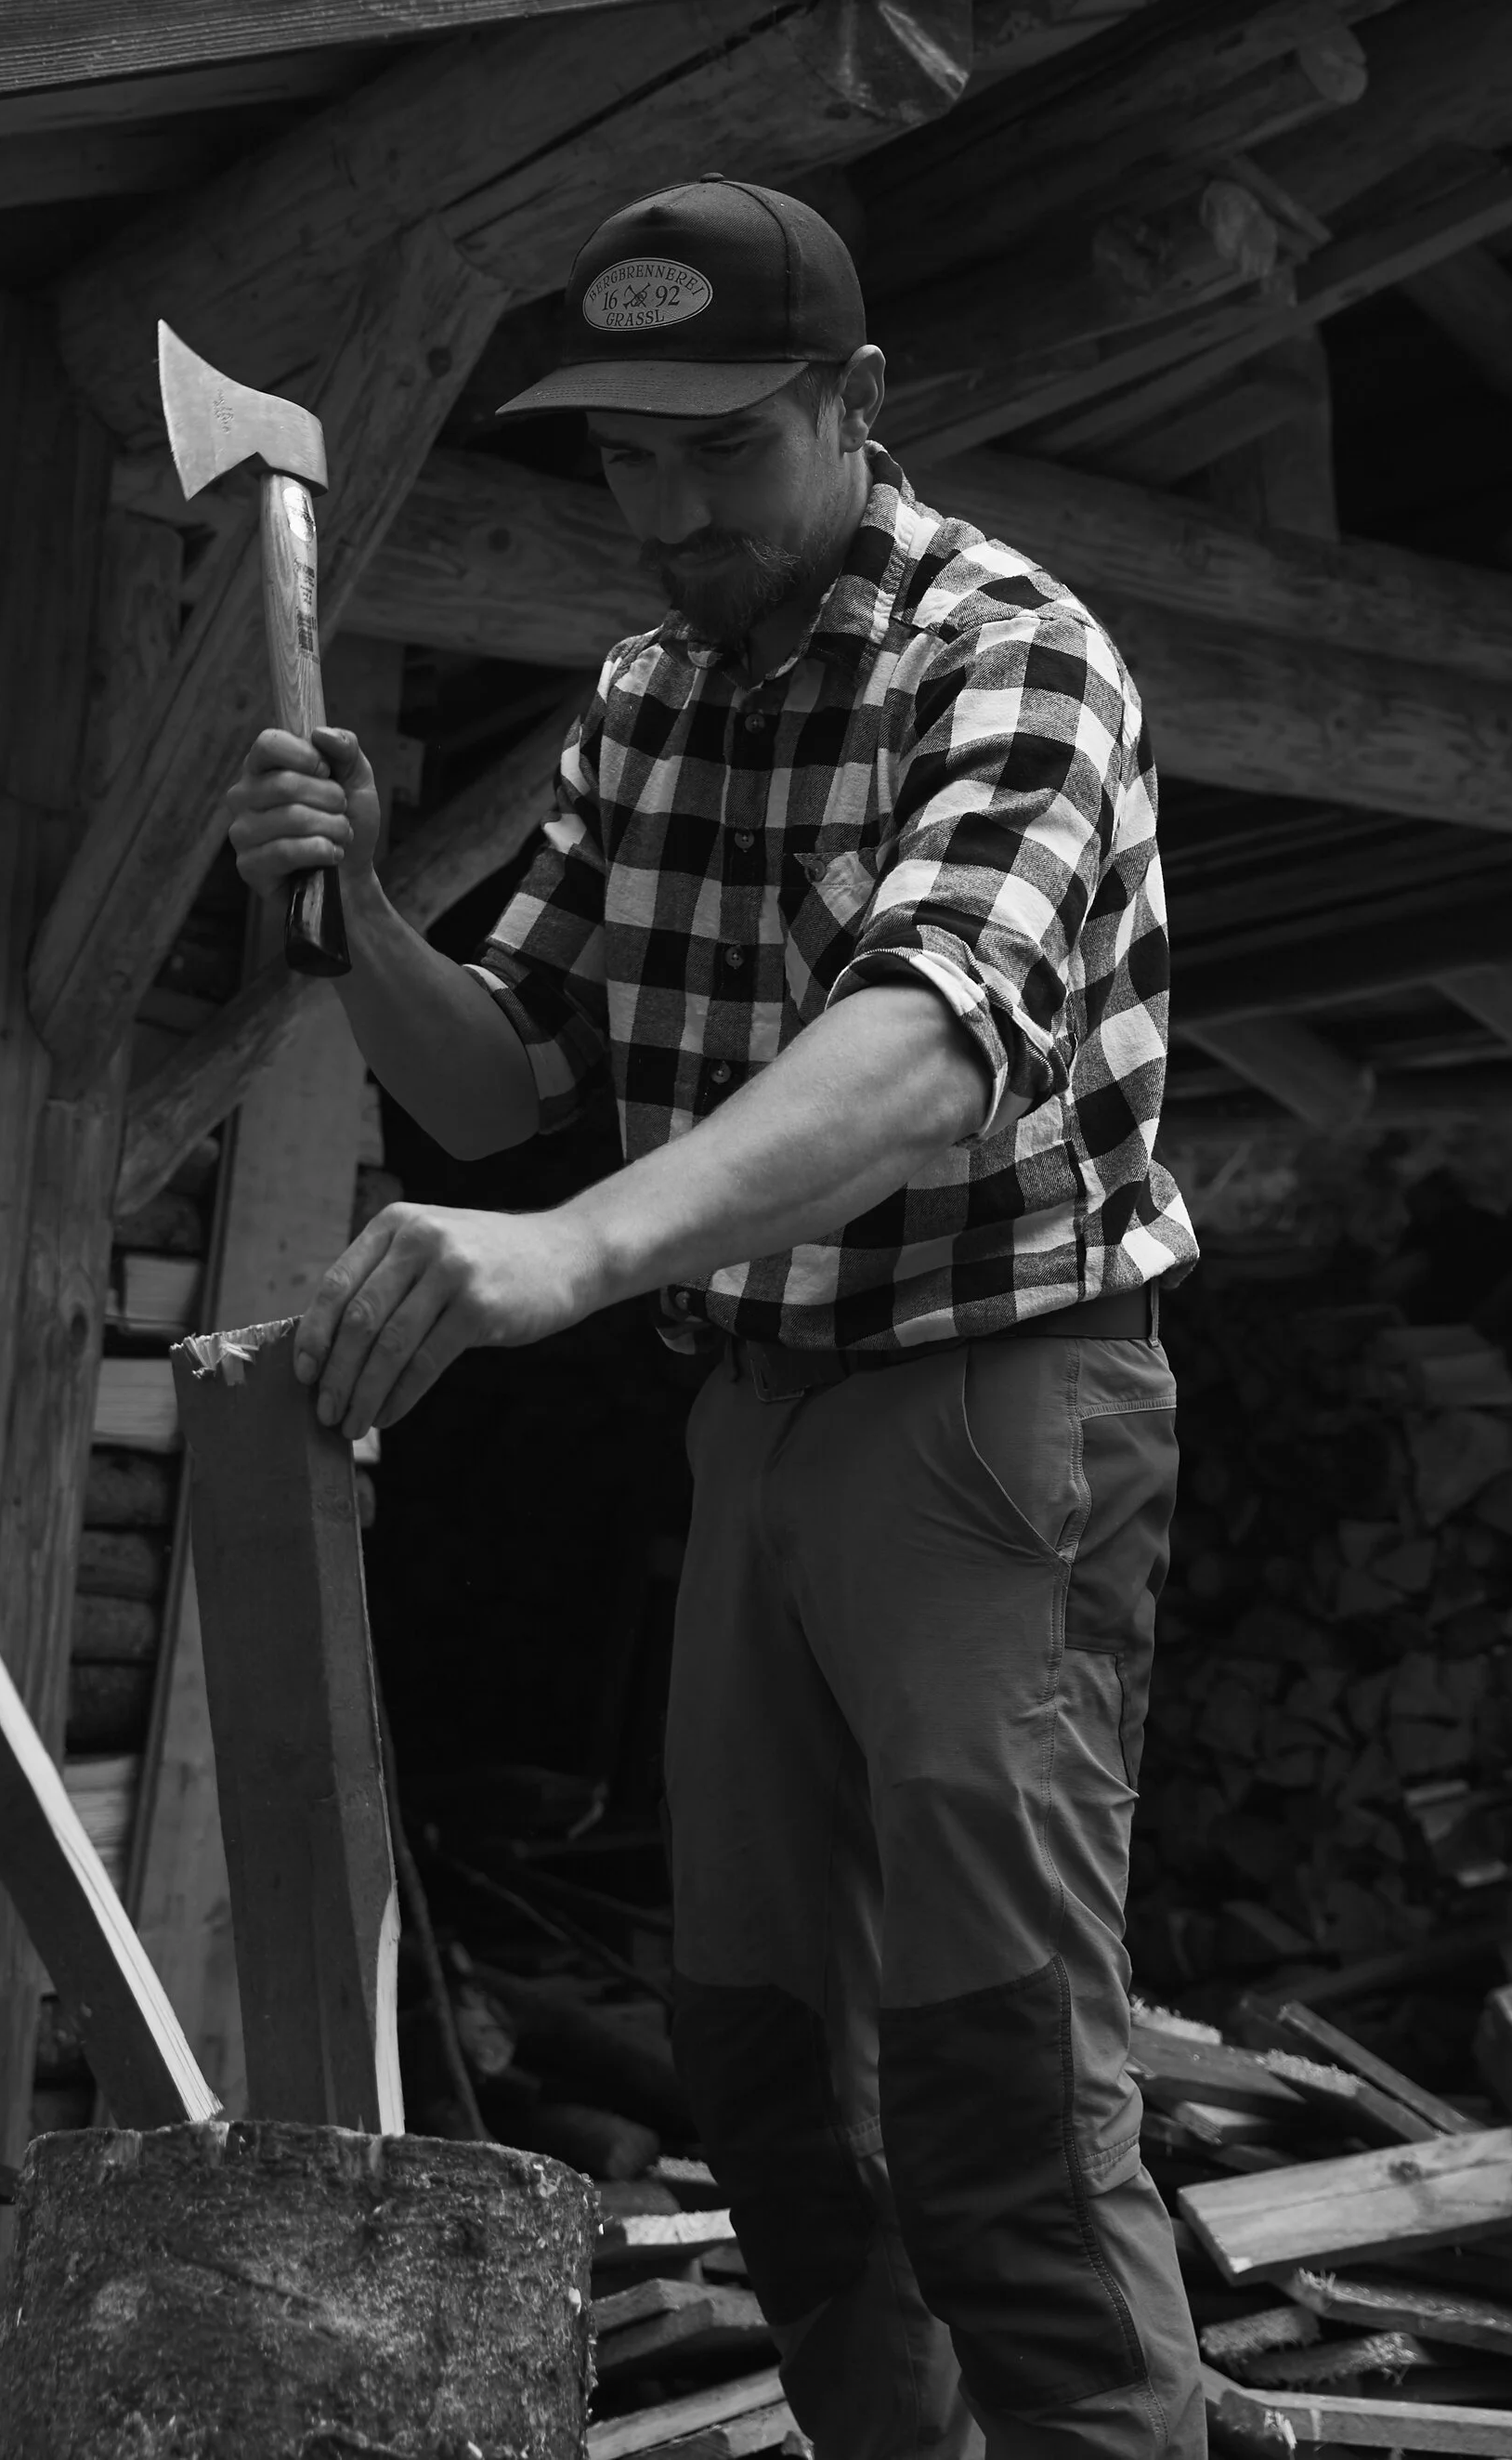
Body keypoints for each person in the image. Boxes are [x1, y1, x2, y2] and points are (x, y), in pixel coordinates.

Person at [226, 176, 1205, 2460]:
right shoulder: (647, 701)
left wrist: (571, 1257)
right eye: (624, 464)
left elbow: (923, 1050)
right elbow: (495, 1077)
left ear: (857, 408)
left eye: (720, 452)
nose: (669, 514)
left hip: (993, 1407)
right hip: (752, 1412)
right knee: (772, 2077)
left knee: (993, 2077)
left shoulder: (1013, 654)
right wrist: (348, 905)